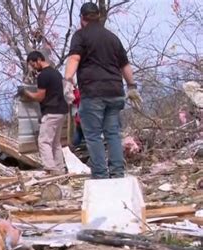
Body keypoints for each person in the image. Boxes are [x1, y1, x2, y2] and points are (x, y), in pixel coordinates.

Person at [64, 2, 143, 179]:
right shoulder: (112, 38)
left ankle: (100, 175)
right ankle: (117, 172)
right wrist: (131, 86)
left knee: (92, 135)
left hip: (93, 93)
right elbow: (125, 65)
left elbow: (75, 58)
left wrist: (67, 79)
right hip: (115, 93)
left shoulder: (80, 35)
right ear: (98, 17)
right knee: (113, 134)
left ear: (82, 19)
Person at [19, 51, 69, 175]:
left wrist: (26, 93)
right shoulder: (56, 73)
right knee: (55, 142)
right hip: (61, 111)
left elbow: (40, 97)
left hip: (51, 111)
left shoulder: (43, 75)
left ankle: (50, 168)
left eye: (33, 64)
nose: (33, 67)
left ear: (39, 60)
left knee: (44, 141)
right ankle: (60, 169)